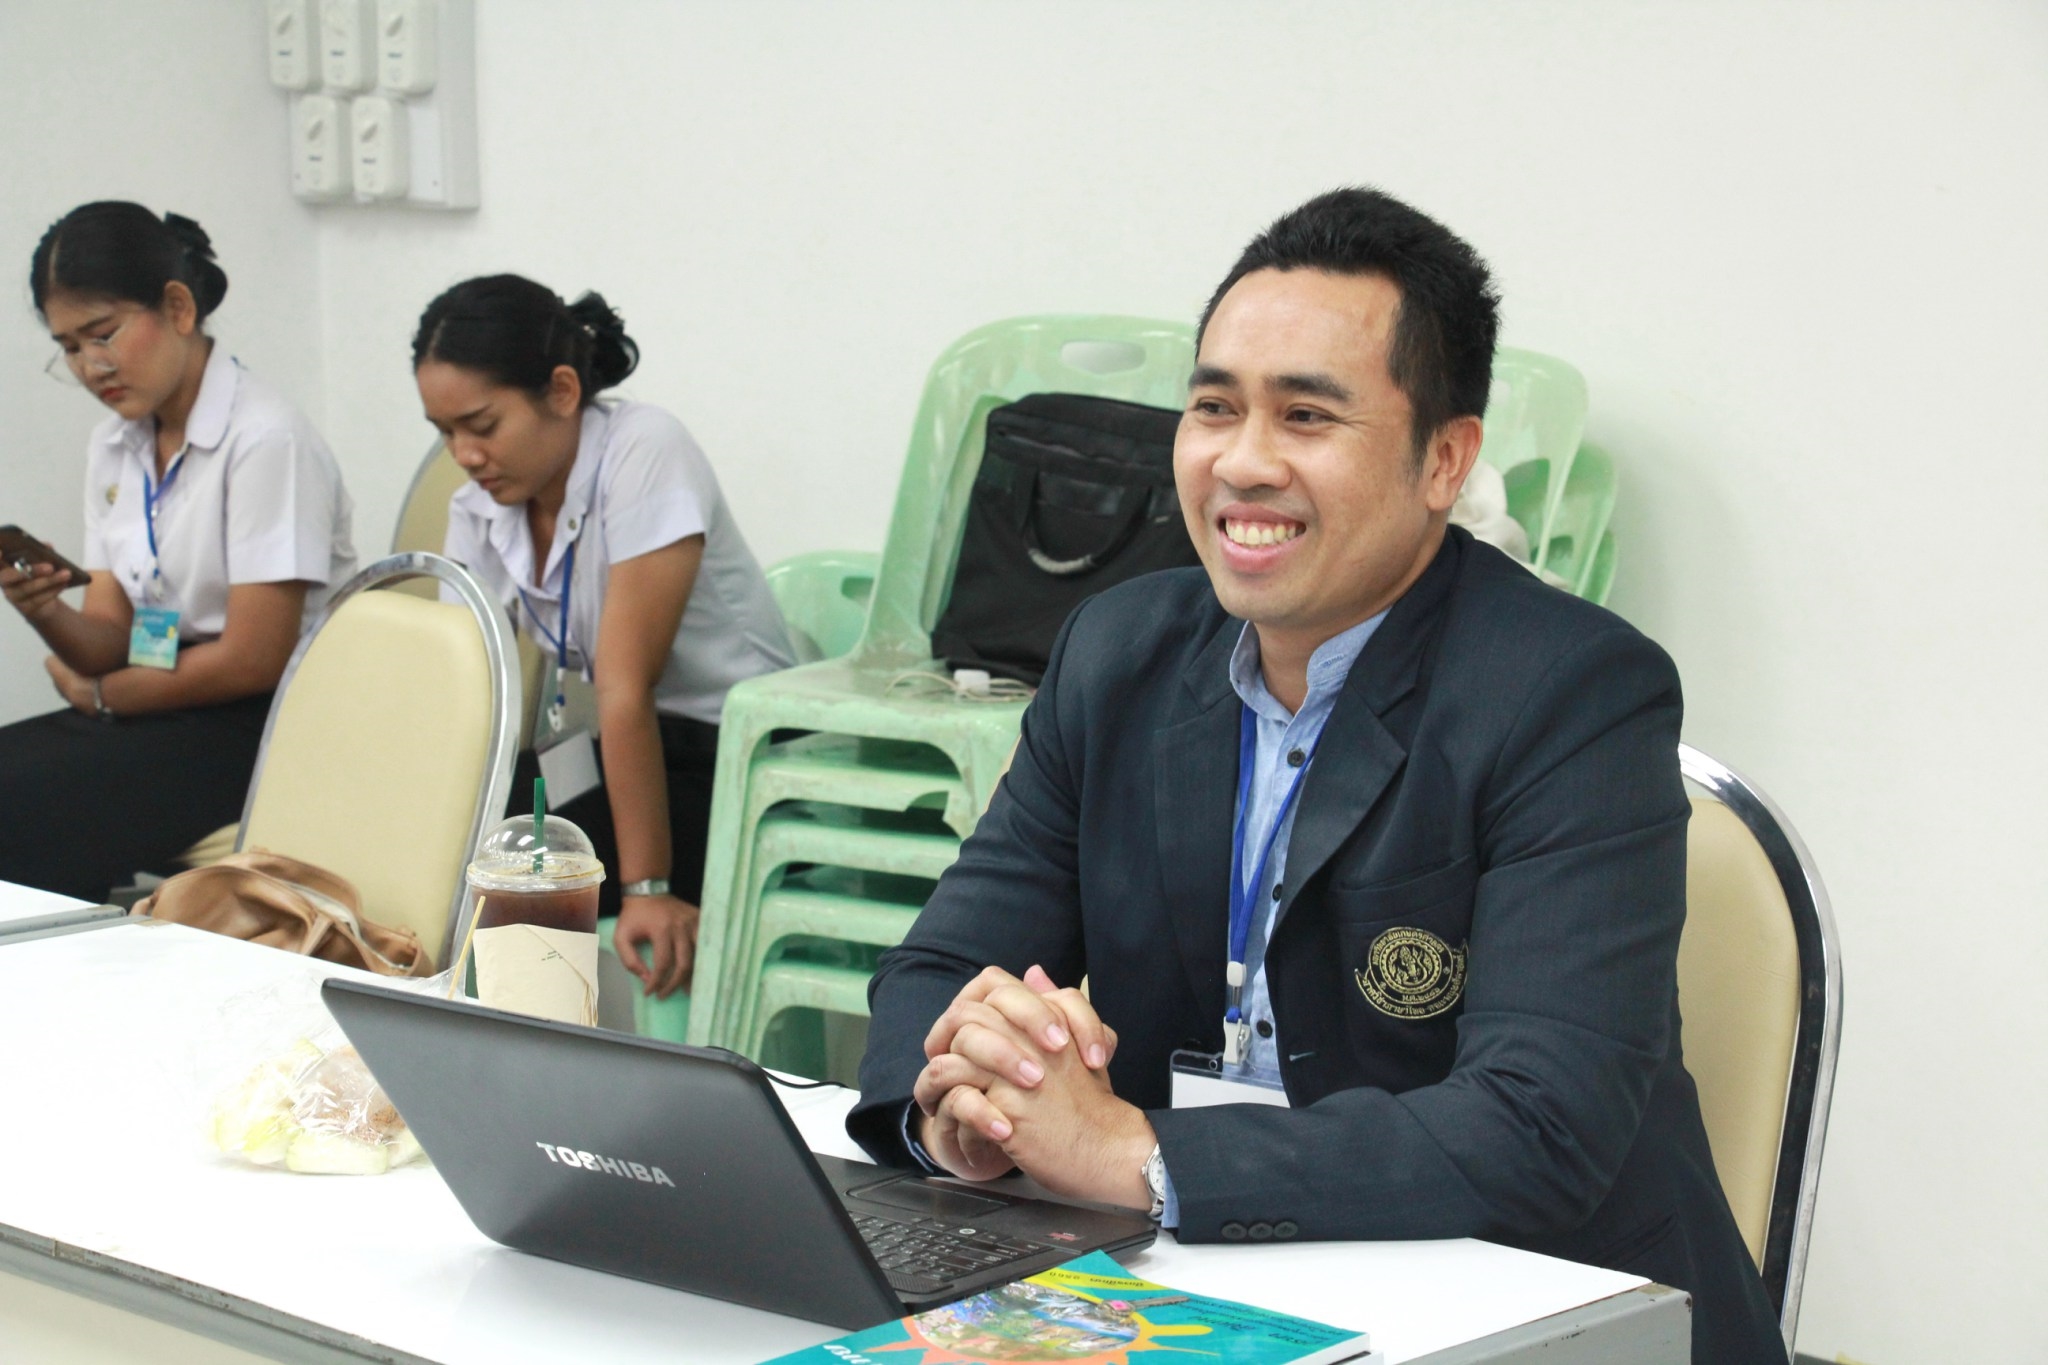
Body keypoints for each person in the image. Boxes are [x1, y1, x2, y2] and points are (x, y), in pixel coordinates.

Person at [850, 189, 1782, 1362]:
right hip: (1206, 1295)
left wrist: (1134, 1155)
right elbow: (938, 970)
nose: (1242, 462)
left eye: (1304, 416)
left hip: (1522, 1307)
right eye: (1212, 408)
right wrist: (960, 1111)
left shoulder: (1571, 691)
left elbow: (1539, 1124)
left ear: (1443, 460)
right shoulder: (1117, 653)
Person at [412, 275, 795, 1000]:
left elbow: (624, 686)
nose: (464, 454)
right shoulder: (481, 508)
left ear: (562, 391)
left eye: (482, 425)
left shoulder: (645, 449)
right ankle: (454, 1025)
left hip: (741, 760)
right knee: (449, 834)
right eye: (445, 433)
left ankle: (541, 1040)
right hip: (631, 747)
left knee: (524, 865)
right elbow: (466, 703)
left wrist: (648, 888)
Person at [0, 202, 357, 901]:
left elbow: (255, 658)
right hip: (159, 701)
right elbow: (108, 637)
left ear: (178, 308)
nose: (91, 365)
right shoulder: (115, 444)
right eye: (69, 347)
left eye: (103, 334)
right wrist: (43, 609)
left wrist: (102, 697)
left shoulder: (266, 438)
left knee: (24, 805)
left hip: (270, 722)